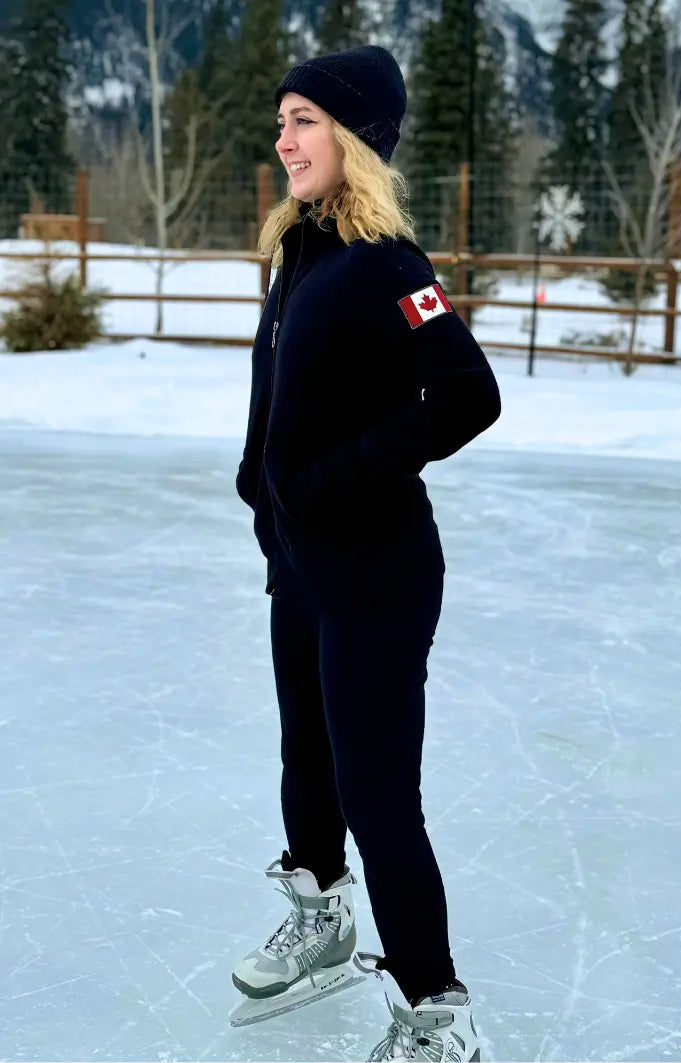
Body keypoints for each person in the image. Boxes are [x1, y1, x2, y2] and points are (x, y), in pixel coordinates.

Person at [232, 44, 501, 1062]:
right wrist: (266, 489)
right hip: (299, 562)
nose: (283, 137)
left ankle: (436, 1006)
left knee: (377, 791)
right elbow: (281, 404)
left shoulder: (390, 266)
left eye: (302, 119)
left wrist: (336, 476)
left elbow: (468, 395)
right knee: (308, 760)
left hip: (377, 572)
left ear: (353, 137)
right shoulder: (302, 251)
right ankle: (323, 916)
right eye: (281, 118)